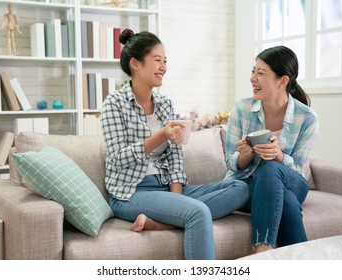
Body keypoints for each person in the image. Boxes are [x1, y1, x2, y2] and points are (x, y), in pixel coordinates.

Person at [100, 28, 249, 260]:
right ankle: (174, 219)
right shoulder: (114, 103)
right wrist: (161, 135)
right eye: (157, 60)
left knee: (240, 188)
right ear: (135, 64)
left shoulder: (165, 104)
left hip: (166, 188)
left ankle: (160, 222)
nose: (164, 67)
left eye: (165, 61)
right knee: (198, 212)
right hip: (131, 193)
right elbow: (118, 157)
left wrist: (177, 198)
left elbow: (175, 158)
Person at [225, 46, 319, 254]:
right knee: (285, 200)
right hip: (248, 183)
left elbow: (297, 168)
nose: (252, 78)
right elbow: (230, 162)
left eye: (261, 73)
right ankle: (275, 255)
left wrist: (278, 156)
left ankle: (263, 252)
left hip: (293, 182)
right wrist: (244, 156)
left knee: (270, 169)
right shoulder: (242, 108)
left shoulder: (307, 118)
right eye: (253, 71)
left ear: (282, 81)